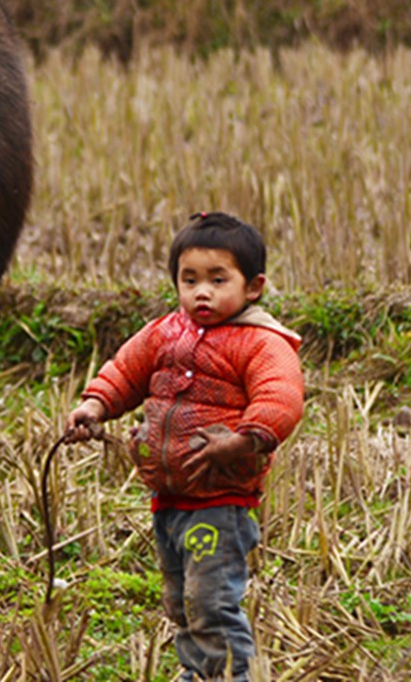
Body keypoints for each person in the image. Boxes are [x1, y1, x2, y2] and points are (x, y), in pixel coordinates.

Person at [65, 211, 304, 682]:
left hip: (221, 499)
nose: (201, 291)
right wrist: (94, 406)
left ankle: (233, 676)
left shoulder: (260, 342)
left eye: (218, 279)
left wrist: (241, 440)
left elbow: (281, 395)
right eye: (189, 279)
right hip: (169, 497)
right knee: (181, 599)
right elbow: (125, 373)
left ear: (252, 287)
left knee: (211, 600)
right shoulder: (163, 333)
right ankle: (199, 672)